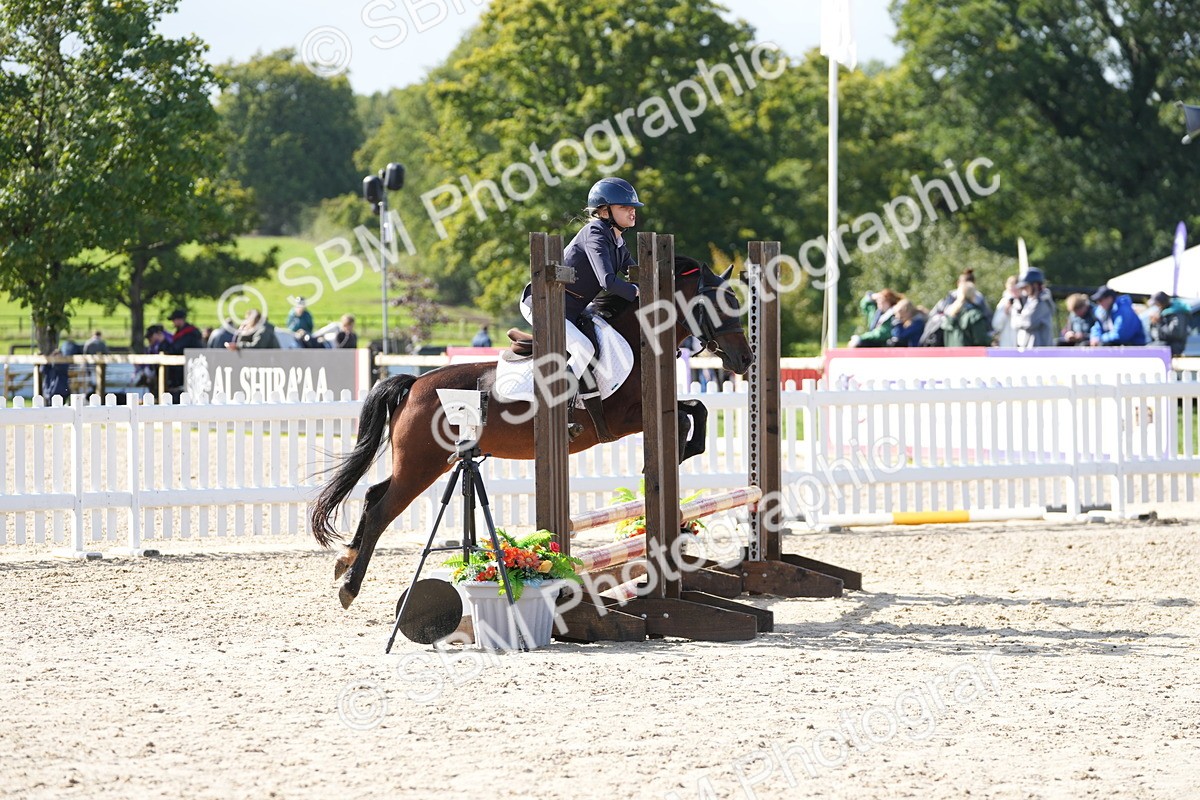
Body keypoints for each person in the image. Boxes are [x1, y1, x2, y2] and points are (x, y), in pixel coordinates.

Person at [521, 176, 642, 441]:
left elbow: (635, 274)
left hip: (572, 309)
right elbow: (607, 281)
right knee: (584, 348)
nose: (632, 210)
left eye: (633, 206)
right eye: (624, 207)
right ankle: (558, 410)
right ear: (603, 211)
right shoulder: (595, 233)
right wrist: (637, 291)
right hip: (544, 304)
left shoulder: (618, 241)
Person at [1011, 268, 1055, 349]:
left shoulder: (1042, 302)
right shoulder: (1030, 301)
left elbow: (1030, 322)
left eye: (1026, 287)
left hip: (1040, 350)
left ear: (1035, 285)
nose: (1023, 290)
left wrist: (1017, 317)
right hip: (1029, 348)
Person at [1148, 291, 1191, 356]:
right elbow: (1156, 336)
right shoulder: (1163, 312)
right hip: (1164, 344)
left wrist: (1159, 322)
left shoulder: (1177, 313)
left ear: (1162, 302)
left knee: (1148, 351)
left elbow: (1176, 334)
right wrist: (1154, 323)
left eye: (1157, 304)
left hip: (1175, 346)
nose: (1156, 306)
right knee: (1145, 349)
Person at [992, 276, 1020, 347]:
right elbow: (996, 325)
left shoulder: (1023, 301)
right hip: (1007, 344)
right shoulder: (1003, 303)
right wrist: (1005, 312)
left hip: (1020, 343)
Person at [82, 330, 109, 395]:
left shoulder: (89, 343)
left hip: (92, 364)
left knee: (92, 379)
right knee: (96, 380)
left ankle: (92, 391)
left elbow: (85, 353)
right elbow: (106, 353)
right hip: (95, 365)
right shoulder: (101, 343)